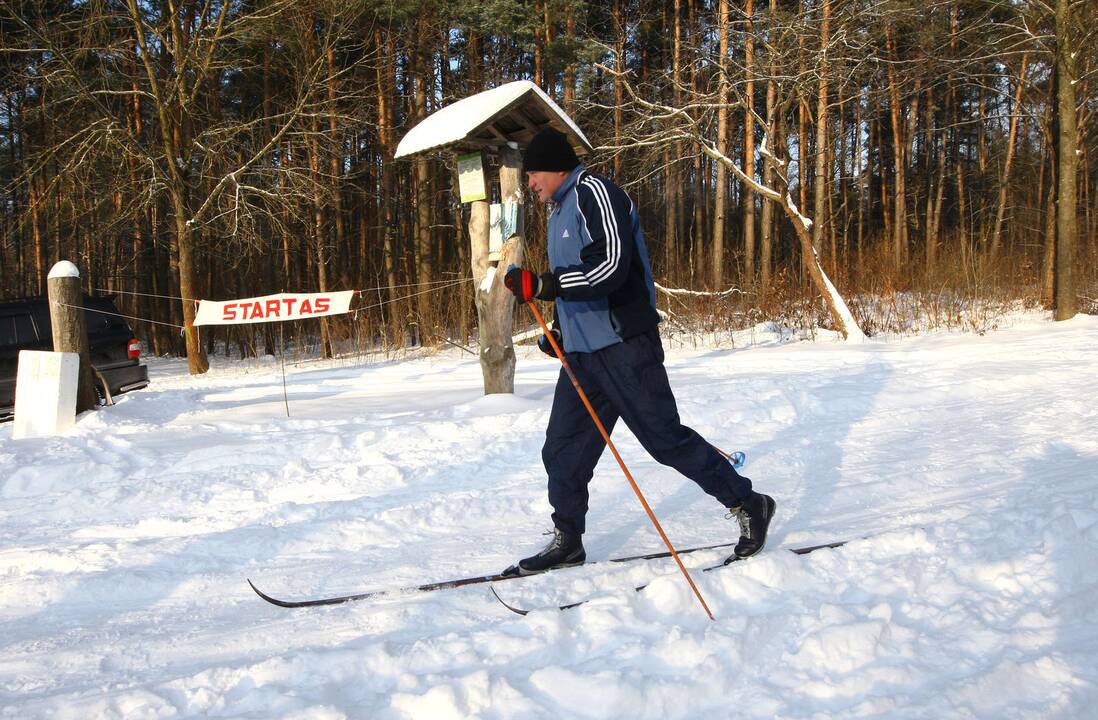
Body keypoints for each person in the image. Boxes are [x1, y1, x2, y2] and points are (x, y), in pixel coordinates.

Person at [502, 126, 775, 576]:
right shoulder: (558, 212)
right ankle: (568, 539)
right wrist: (561, 333)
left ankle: (750, 503)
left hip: (626, 349)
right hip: (585, 359)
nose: (531, 183)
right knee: (563, 449)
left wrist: (546, 284)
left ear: (555, 166)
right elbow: (580, 284)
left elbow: (610, 268)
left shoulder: (596, 193)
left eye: (534, 174)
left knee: (666, 442)